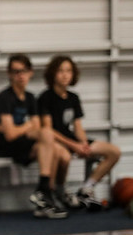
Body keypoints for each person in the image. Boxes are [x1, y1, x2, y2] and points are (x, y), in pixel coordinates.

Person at [0, 54, 68, 219]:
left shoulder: (30, 98)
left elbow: (36, 127)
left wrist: (20, 128)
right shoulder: (4, 98)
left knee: (57, 149)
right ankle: (44, 192)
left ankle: (46, 196)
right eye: (15, 72)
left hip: (22, 143)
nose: (20, 75)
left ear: (30, 72)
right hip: (4, 145)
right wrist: (27, 126)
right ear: (9, 74)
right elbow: (10, 135)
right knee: (47, 136)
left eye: (23, 71)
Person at [37, 55, 120, 209]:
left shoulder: (73, 98)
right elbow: (48, 129)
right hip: (57, 141)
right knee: (64, 157)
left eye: (68, 71)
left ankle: (87, 189)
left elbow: (78, 126)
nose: (65, 75)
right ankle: (57, 191)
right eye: (61, 71)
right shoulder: (46, 97)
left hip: (72, 139)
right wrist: (74, 146)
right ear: (53, 73)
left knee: (113, 152)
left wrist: (83, 144)